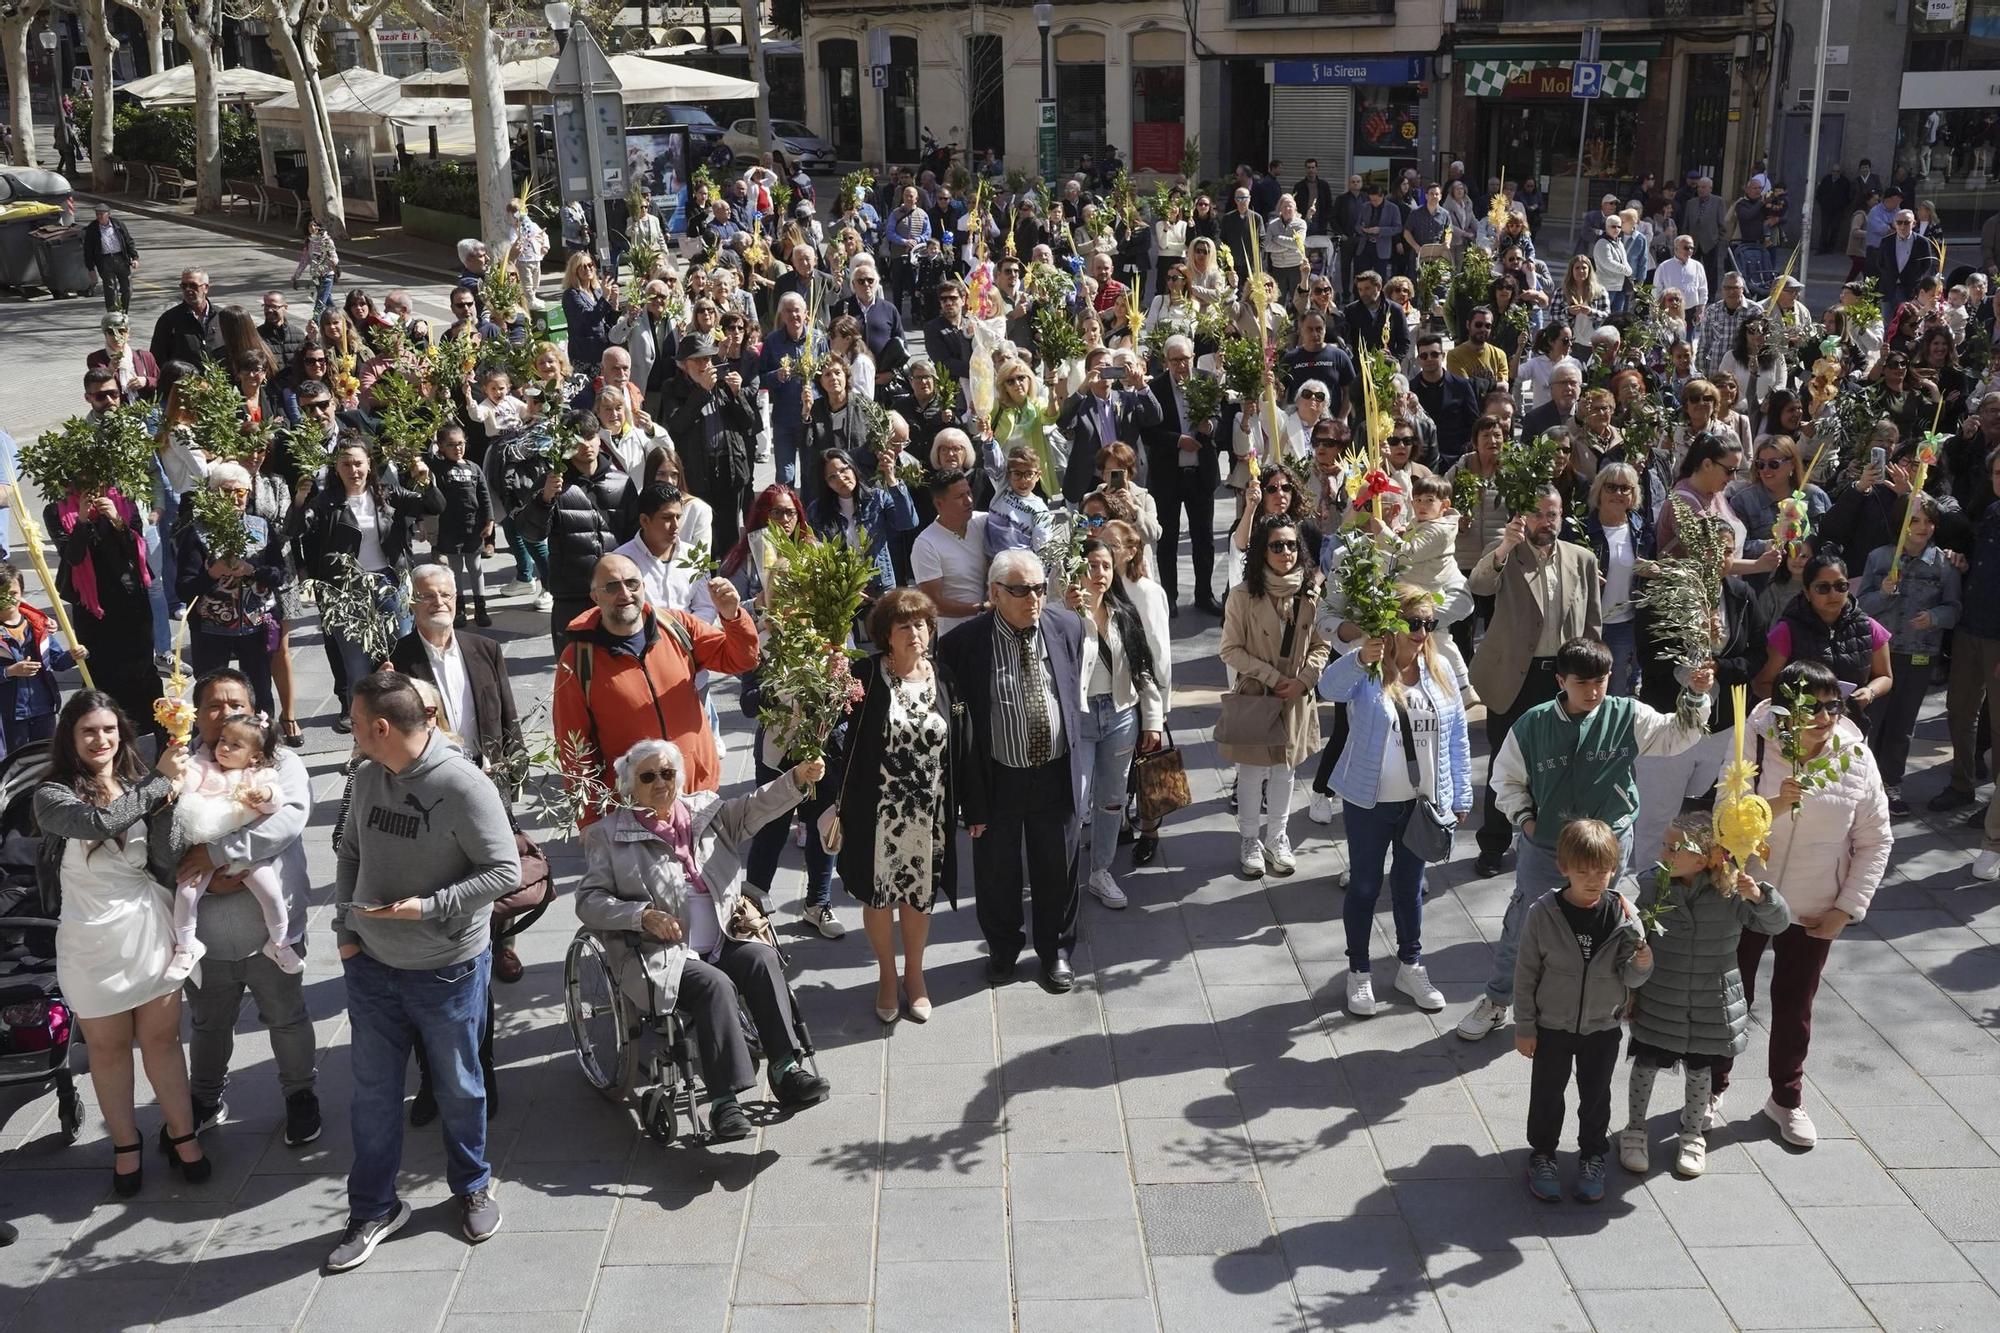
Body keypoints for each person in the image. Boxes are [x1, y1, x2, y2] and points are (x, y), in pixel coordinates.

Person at [327, 672, 519, 1272]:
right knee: (373, 1096)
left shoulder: (463, 785)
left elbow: (504, 871)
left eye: (356, 724)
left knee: (460, 1088)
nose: (351, 734)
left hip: (446, 971)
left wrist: (429, 908)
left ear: (381, 727)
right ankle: (375, 1208)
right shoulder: (365, 776)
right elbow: (350, 854)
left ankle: (472, 1186)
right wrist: (347, 935)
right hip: (372, 967)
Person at [574, 737, 830, 1139]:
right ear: (629, 786)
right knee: (715, 985)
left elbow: (755, 805)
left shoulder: (707, 811)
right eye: (648, 776)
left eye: (667, 773)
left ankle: (785, 1069)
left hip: (725, 934)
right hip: (665, 955)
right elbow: (589, 902)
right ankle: (724, 1103)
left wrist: (796, 778)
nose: (660, 782)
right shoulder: (609, 836)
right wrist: (640, 916)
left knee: (761, 960)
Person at [1711, 659, 1893, 1148]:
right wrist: (1769, 806)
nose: (1824, 716)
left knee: (1796, 1005)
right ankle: (1710, 1088)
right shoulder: (1754, 738)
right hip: (1748, 895)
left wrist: (1846, 909)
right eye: (1811, 707)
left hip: (1814, 906)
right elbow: (1723, 816)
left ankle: (1785, 1100)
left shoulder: (1854, 755)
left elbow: (1876, 839)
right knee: (1729, 998)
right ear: (1785, 709)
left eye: (1832, 706)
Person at [35, 692, 204, 1196]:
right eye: (89, 731)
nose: (101, 740)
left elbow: (167, 857)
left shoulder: (139, 784)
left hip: (147, 927)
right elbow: (98, 823)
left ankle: (184, 1134)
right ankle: (125, 1146)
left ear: (122, 734)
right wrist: (157, 784)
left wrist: (172, 800)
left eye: (109, 730)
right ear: (70, 737)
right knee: (107, 1051)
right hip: (90, 940)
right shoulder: (52, 796)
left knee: (163, 1041)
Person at [146, 669, 319, 1144]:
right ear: (196, 716)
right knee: (208, 1024)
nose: (224, 716)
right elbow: (159, 844)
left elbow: (285, 824)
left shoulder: (279, 763)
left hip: (271, 928)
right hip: (206, 934)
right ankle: (204, 1097)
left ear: (254, 711)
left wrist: (218, 855)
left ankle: (300, 1094)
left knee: (286, 1018)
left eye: (234, 706)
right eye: (213, 707)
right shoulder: (181, 766)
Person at [936, 548, 1089, 994]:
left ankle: (1056, 952)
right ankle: (1002, 950)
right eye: (1021, 590)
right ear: (994, 593)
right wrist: (968, 796)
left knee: (1057, 868)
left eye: (1040, 588)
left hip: (1055, 772)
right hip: (998, 777)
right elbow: (957, 726)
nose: (1034, 599)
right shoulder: (963, 644)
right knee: (997, 871)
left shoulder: (1067, 627)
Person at [1317, 585, 1471, 1016]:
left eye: (1429, 624)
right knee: (1365, 887)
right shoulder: (1367, 670)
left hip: (1420, 804)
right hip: (1370, 802)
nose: (1422, 632)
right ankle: (1359, 973)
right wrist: (1358, 657)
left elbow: (1457, 737)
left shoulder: (1439, 672)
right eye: (1414, 623)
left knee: (1409, 888)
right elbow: (1328, 688)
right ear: (1393, 624)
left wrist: (1459, 794)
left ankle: (1410, 965)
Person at [833, 588, 985, 1022]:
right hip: (876, 813)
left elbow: (966, 743)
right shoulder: (864, 676)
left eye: (921, 624)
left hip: (927, 814)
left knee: (919, 898)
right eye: (905, 626)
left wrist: (975, 808)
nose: (916, 632)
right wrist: (829, 673)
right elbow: (827, 718)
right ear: (885, 635)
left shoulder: (945, 677)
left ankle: (914, 976)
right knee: (878, 897)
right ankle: (886, 975)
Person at [1620, 812, 1790, 1182]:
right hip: (1662, 995)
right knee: (1646, 1062)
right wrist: (1630, 988)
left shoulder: (1731, 891)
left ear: (1703, 857)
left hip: (1712, 1000)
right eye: (1664, 845)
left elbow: (1777, 924)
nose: (1663, 853)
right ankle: (1634, 1130)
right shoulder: (1654, 886)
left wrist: (1761, 897)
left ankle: (1693, 1134)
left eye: (1673, 848)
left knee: (1701, 1070)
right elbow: (1634, 937)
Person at [1464, 489, 1604, 879]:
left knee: (1559, 764)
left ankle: (1551, 840)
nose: (1546, 521)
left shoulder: (1582, 559)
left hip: (1563, 679)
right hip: (1513, 677)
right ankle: (1493, 844)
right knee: (1503, 763)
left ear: (1562, 517)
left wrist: (1594, 676)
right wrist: (1503, 548)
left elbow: (1593, 624)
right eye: (1538, 514)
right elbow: (1479, 586)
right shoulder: (1507, 552)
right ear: (1524, 518)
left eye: (1553, 514)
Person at [1514, 819, 1654, 1204]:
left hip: (1602, 1026)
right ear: (1564, 868)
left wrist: (1642, 961)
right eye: (1582, 872)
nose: (1593, 880)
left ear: (1615, 867)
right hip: (1551, 1025)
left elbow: (1632, 977)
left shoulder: (1624, 915)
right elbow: (1525, 974)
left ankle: (1593, 1156)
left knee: (1596, 1096)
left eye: (1602, 871)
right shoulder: (1544, 913)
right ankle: (1543, 1154)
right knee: (1547, 1093)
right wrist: (1524, 1025)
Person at [553, 553, 759, 811]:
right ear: (595, 596)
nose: (625, 593)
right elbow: (573, 745)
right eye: (612, 586)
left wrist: (733, 616)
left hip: (696, 790)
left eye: (632, 583)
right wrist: (588, 819)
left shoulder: (676, 626)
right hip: (632, 804)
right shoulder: (578, 659)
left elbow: (741, 660)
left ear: (643, 586)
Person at [1220, 515, 1331, 881]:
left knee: (1286, 772)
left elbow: (1321, 644)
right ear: (1261, 552)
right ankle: (1250, 839)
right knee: (1251, 773)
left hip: (1296, 697)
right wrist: (1271, 676)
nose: (1286, 553)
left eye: (1291, 545)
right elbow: (1230, 650)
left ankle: (1277, 837)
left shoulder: (1311, 594)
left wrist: (1304, 680)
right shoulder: (1242, 595)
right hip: (1257, 696)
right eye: (1276, 545)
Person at [165, 708, 294, 989]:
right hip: (203, 847)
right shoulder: (204, 765)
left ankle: (280, 942)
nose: (224, 748)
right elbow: (185, 785)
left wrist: (266, 795)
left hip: (245, 853)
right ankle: (186, 947)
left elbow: (277, 801)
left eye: (236, 745)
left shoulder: (258, 776)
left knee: (271, 894)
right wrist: (177, 766)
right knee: (185, 895)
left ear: (255, 755)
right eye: (223, 740)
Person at [1068, 538, 1165, 909]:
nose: (1100, 574)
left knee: (1111, 801)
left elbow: (1143, 668)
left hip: (1121, 714)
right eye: (1092, 565)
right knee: (1075, 799)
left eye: (1106, 566)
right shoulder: (1066, 615)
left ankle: (1100, 871)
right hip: (1080, 717)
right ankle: (1062, 871)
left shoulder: (1123, 611)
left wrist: (1152, 720)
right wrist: (1069, 612)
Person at [517, 414, 640, 654]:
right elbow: (531, 533)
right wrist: (544, 500)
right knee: (574, 671)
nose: (586, 445)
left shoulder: (621, 482)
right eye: (578, 439)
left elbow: (635, 538)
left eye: (591, 437)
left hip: (616, 592)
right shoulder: (552, 482)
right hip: (572, 594)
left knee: (621, 666)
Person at [388, 564, 523, 777]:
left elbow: (508, 716)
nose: (439, 603)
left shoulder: (486, 649)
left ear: (455, 598)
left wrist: (517, 771)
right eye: (428, 596)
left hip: (489, 774)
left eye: (445, 595)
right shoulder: (395, 660)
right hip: (431, 778)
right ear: (411, 602)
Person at [179, 464, 287, 719]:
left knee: (259, 694)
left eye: (241, 492)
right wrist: (212, 574)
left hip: (254, 626)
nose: (235, 499)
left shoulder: (260, 526)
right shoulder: (196, 532)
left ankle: (262, 743)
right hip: (211, 629)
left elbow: (278, 574)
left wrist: (252, 570)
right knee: (210, 693)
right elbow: (184, 588)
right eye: (226, 492)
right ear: (213, 494)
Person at [1140, 335, 1222, 614]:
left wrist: (1209, 427)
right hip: (1168, 476)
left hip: (1201, 473)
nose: (1181, 365)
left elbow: (1220, 417)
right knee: (1168, 539)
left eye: (1185, 359)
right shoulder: (1156, 389)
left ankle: (1204, 595)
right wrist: (1178, 440)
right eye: (1175, 360)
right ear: (1166, 362)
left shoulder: (1207, 381)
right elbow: (1148, 432)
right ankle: (1170, 598)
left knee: (1204, 539)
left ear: (1193, 356)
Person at [1751, 551, 1893, 703]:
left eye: (1840, 586)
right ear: (1807, 592)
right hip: (1799, 723)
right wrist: (1797, 708)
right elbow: (1761, 684)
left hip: (1849, 720)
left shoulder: (1869, 627)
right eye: (1823, 588)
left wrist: (1870, 692)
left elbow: (1884, 676)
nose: (1833, 594)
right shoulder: (1786, 631)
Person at [911, 469, 990, 634]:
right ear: (939, 504)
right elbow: (933, 603)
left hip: (995, 628)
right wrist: (982, 608)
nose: (968, 500)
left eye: (969, 493)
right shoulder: (926, 544)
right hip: (958, 636)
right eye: (959, 496)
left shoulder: (985, 522)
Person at [83, 203, 138, 314]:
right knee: (110, 289)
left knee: (127, 289)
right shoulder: (92, 228)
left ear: (108, 214)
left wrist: (135, 257)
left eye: (101, 214)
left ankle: (124, 312)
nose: (99, 216)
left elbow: (128, 241)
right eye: (97, 214)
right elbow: (88, 250)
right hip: (104, 261)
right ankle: (113, 314)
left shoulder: (118, 224)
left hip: (121, 259)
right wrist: (91, 269)